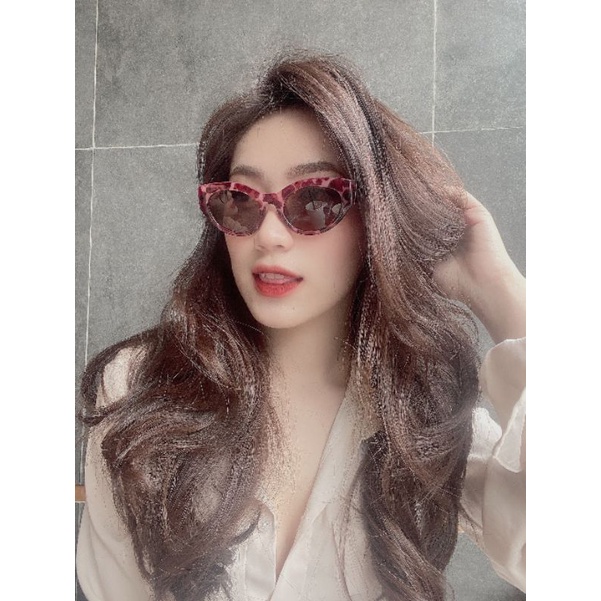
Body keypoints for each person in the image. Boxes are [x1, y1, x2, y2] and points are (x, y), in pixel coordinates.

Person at [76, 51, 526, 601]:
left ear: (375, 217)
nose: (268, 235)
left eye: (315, 200)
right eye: (240, 201)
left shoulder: (423, 412)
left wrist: (502, 294)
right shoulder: (138, 389)